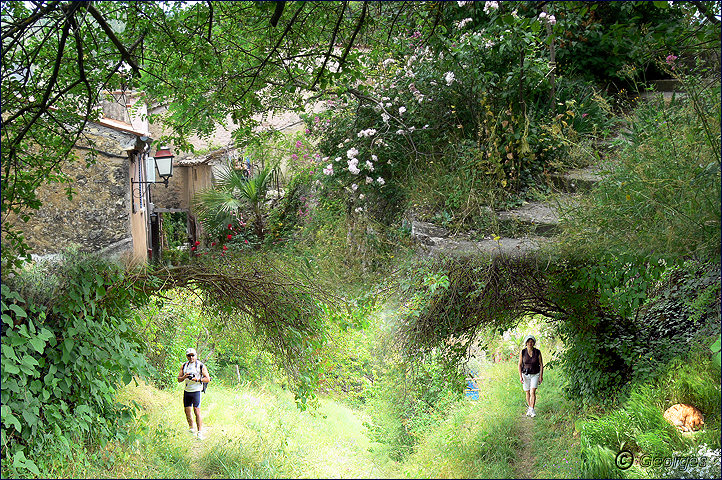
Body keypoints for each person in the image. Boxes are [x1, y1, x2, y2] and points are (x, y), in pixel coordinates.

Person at [177, 348, 210, 439]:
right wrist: (184, 377)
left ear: (196, 355)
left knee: (197, 411)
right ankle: (191, 429)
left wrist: (198, 379)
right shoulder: (184, 366)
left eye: (193, 355)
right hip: (187, 391)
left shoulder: (200, 365)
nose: (191, 357)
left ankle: (200, 432)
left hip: (196, 391)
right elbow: (179, 379)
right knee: (187, 411)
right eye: (189, 355)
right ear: (186, 356)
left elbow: (207, 379)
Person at [518, 335, 543, 417]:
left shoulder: (538, 352)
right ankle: (530, 408)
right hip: (525, 374)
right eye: (528, 342)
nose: (530, 343)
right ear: (526, 343)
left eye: (531, 342)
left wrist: (541, 376)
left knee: (533, 391)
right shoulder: (523, 352)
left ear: (534, 343)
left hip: (535, 374)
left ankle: (532, 409)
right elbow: (520, 364)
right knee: (527, 392)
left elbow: (541, 364)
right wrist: (520, 376)